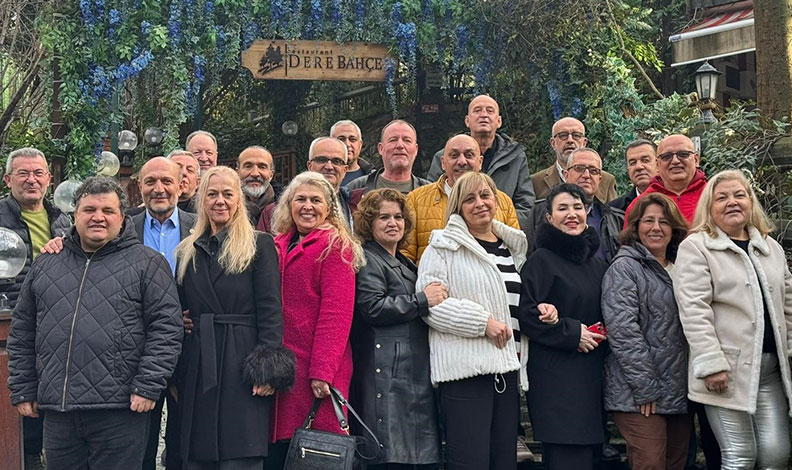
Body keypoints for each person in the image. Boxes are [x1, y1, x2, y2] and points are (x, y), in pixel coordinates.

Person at [8, 176, 183, 469]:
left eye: (107, 211)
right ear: (74, 215)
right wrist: (24, 387)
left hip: (120, 409)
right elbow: (23, 330)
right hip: (59, 410)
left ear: (122, 217)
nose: (98, 217)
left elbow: (166, 330)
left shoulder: (148, 264)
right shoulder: (47, 263)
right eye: (89, 210)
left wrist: (147, 386)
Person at [416, 171, 539, 470]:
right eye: (469, 199)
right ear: (458, 207)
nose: (480, 203)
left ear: (496, 200)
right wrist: (483, 323)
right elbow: (432, 307)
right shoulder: (442, 246)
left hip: (507, 368)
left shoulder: (512, 247)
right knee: (469, 462)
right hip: (465, 373)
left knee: (503, 462)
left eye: (485, 195)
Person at [173, 166, 293, 469]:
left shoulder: (259, 245)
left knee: (240, 452)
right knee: (197, 452)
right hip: (199, 360)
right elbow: (181, 304)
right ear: (202, 200)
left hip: (242, 360)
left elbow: (270, 309)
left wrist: (266, 369)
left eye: (228, 194)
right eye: (212, 194)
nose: (220, 201)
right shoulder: (187, 250)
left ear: (238, 199)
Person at [673, 169, 792, 469]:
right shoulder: (696, 247)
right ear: (709, 207)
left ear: (751, 202)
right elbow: (694, 310)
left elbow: (788, 304)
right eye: (722, 197)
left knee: (776, 455)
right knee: (740, 457)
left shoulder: (771, 248)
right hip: (726, 370)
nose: (732, 202)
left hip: (771, 371)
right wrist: (711, 363)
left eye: (739, 195)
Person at [265, 172, 366, 468]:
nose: (307, 206)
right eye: (300, 199)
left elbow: (337, 314)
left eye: (315, 200)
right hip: (283, 366)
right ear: (289, 205)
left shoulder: (336, 246)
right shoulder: (277, 243)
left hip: (316, 367)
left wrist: (323, 372)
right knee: (282, 451)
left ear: (328, 207)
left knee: (316, 453)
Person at [518, 183, 609, 470]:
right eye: (562, 208)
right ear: (549, 218)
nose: (572, 214)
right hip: (557, 382)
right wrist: (571, 332)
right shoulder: (540, 261)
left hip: (592, 379)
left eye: (577, 207)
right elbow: (526, 315)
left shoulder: (597, 265)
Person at [350, 189, 442, 469]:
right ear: (369, 223)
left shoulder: (403, 261)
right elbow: (372, 307)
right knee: (390, 458)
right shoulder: (368, 257)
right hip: (386, 372)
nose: (393, 223)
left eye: (398, 217)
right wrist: (421, 300)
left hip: (410, 371)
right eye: (384, 217)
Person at [601, 193, 690, 470]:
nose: (656, 228)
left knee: (676, 463)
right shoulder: (625, 268)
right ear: (636, 226)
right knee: (650, 463)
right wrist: (646, 388)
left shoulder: (683, 266)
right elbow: (623, 331)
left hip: (679, 389)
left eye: (664, 222)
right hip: (638, 394)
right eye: (648, 221)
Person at [0, 147, 70, 469]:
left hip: (57, 322)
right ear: (8, 179)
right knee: (16, 397)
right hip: (11, 322)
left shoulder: (63, 219)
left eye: (38, 173)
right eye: (23, 174)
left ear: (49, 179)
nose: (32, 180)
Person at [404, 134, 520, 264]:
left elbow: (516, 251)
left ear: (480, 162)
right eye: (454, 155)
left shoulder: (503, 202)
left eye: (469, 155)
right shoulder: (416, 200)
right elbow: (405, 257)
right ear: (443, 163)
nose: (462, 161)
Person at [426, 95, 535, 230]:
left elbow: (525, 203)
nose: (484, 115)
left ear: (499, 121)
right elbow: (432, 200)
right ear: (467, 121)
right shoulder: (445, 158)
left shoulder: (515, 157)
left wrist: (495, 229)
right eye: (477, 111)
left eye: (490, 111)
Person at [531, 148, 624, 262]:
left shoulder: (615, 219)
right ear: (566, 175)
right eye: (579, 168)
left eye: (593, 171)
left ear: (599, 179)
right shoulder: (538, 213)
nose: (586, 175)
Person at [257, 137, 361, 233]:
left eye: (336, 161)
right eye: (322, 160)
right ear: (309, 166)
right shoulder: (272, 213)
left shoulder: (358, 207)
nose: (329, 167)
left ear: (345, 170)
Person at [531, 117, 617, 202]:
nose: (570, 140)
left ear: (584, 143)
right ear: (553, 143)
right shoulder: (536, 182)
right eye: (563, 135)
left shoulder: (607, 180)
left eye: (576, 135)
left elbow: (612, 210)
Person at [626, 134, 707, 223]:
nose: (675, 161)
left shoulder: (712, 196)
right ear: (658, 164)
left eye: (683, 154)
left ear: (696, 160)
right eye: (667, 156)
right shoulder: (639, 204)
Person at [346, 119, 431, 194]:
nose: (400, 145)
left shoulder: (430, 193)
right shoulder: (355, 188)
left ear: (416, 150)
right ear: (381, 148)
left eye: (407, 140)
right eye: (393, 140)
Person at [237, 146, 283, 225]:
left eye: (262, 167)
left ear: (271, 174)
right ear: (238, 172)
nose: (255, 173)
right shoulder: (226, 207)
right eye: (248, 166)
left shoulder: (287, 206)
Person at [609, 139, 659, 211]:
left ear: (658, 164)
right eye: (633, 163)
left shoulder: (674, 201)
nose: (638, 167)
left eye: (645, 160)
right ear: (628, 169)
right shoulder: (614, 210)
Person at [331, 119, 374, 186]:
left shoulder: (374, 178)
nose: (347, 144)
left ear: (360, 145)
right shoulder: (321, 177)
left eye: (352, 139)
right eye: (341, 139)